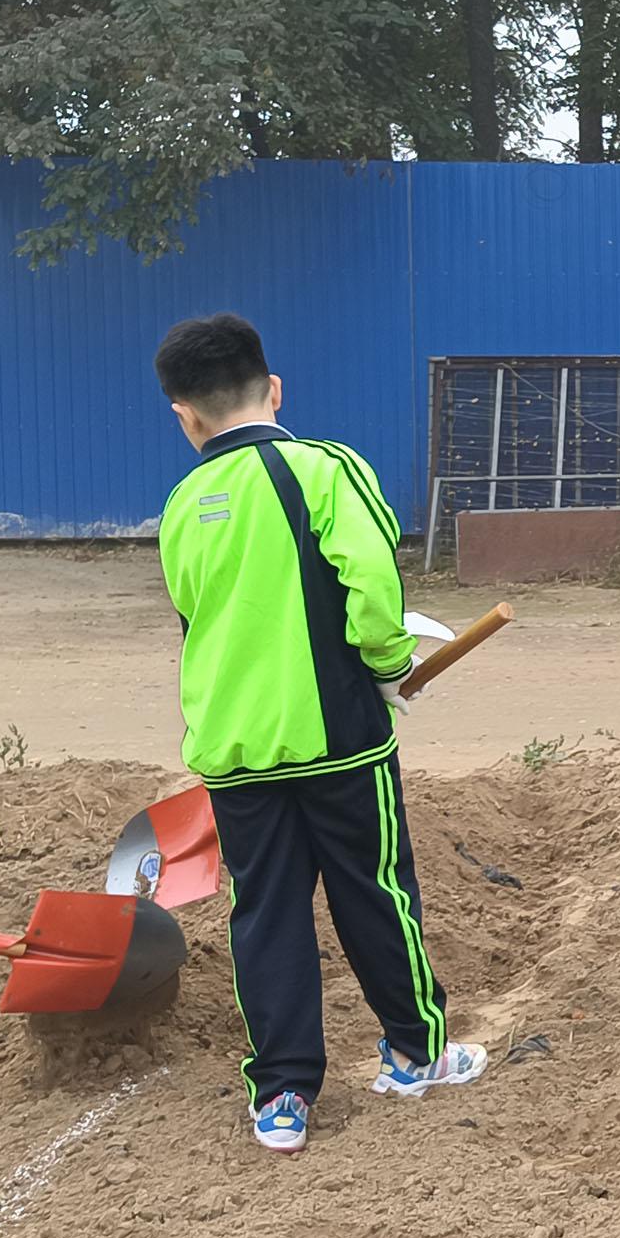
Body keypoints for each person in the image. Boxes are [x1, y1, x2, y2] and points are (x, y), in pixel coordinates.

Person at [154, 313, 485, 1153]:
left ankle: (282, 1098)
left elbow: (196, 614)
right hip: (338, 736)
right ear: (274, 390)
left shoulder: (183, 501)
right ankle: (415, 1053)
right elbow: (371, 586)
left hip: (232, 746)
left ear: (183, 415)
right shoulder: (325, 467)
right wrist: (387, 666)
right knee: (374, 889)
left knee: (264, 911)